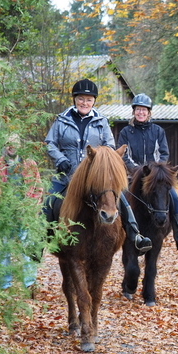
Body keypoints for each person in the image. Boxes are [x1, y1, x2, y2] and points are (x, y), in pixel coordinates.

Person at [43, 79, 152, 255]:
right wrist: (60, 159)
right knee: (48, 201)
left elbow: (109, 147)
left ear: (94, 101)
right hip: (67, 175)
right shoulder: (62, 120)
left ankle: (135, 234)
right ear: (74, 100)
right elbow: (49, 143)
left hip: (95, 177)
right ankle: (40, 241)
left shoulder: (101, 122)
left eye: (88, 99)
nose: (84, 103)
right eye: (81, 99)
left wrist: (103, 165)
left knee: (121, 197)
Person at [117, 93, 178, 249]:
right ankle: (120, 232)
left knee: (173, 196)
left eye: (144, 110)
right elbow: (124, 156)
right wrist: (138, 171)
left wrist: (155, 172)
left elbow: (163, 154)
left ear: (149, 112)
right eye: (138, 109)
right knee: (119, 198)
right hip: (133, 177)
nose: (141, 113)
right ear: (133, 111)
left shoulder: (158, 131)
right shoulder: (125, 132)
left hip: (155, 178)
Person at [0, 134, 43, 289]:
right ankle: (3, 284)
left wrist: (31, 207)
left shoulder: (30, 164)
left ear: (20, 145)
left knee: (26, 249)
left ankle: (29, 283)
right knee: (3, 250)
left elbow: (38, 188)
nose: (11, 146)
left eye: (14, 143)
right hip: (4, 215)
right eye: (8, 143)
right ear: (4, 145)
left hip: (25, 213)